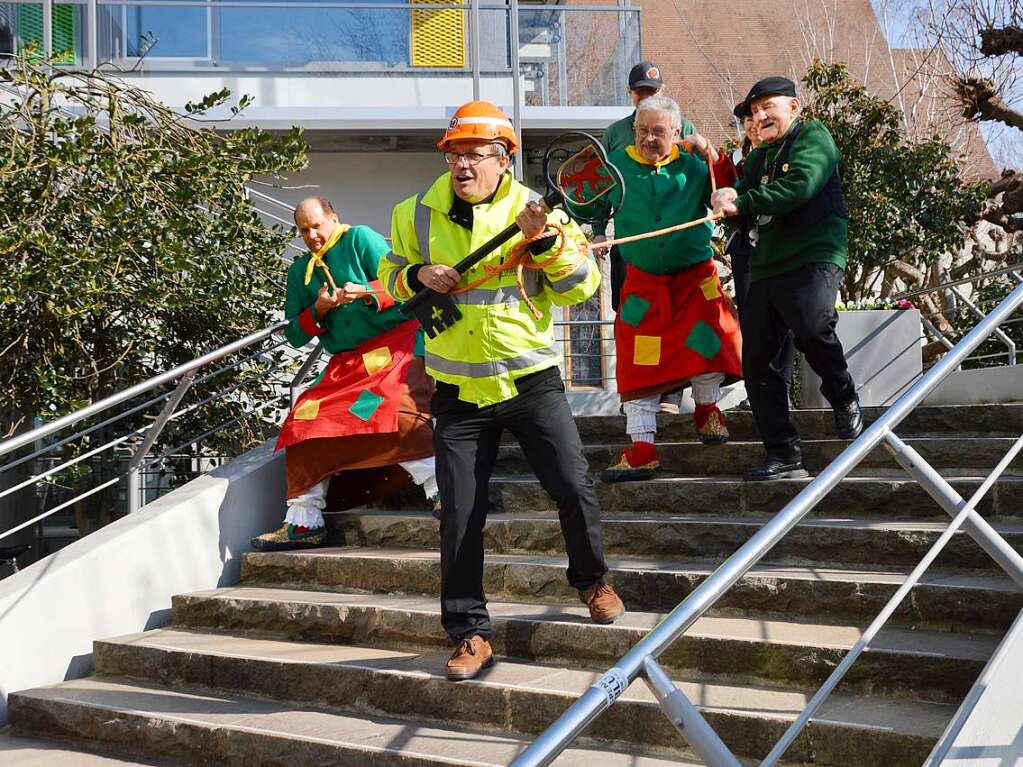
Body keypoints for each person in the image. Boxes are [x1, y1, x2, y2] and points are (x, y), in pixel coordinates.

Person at [380, 100, 625, 682]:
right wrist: (415, 276)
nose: (462, 166)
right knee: (459, 513)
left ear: (503, 159)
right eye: (454, 155)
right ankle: (468, 632)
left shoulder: (541, 215)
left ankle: (592, 582)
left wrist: (546, 248)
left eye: (475, 155)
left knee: (572, 483)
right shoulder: (414, 214)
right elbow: (389, 276)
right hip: (458, 394)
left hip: (530, 382)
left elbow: (579, 287)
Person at [568, 95, 742, 481]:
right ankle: (642, 448)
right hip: (642, 283)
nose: (648, 139)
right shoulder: (614, 170)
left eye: (658, 132)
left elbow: (735, 184)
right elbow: (577, 203)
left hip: (695, 279)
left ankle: (708, 410)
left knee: (712, 337)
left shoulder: (697, 167)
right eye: (642, 130)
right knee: (638, 360)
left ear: (676, 133)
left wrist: (710, 150)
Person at [252, 197, 437, 551]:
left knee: (394, 412)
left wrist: (365, 292)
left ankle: (442, 491)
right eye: (304, 230)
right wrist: (319, 308)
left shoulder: (361, 238)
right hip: (348, 363)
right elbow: (295, 334)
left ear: (334, 218)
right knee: (303, 423)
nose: (311, 236)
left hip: (394, 346)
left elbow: (403, 285)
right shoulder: (299, 270)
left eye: (317, 226)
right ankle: (304, 522)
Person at [712, 76, 863, 482]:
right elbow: (743, 197)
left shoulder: (814, 137)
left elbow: (800, 186)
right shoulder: (759, 157)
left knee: (813, 325)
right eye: (753, 111)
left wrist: (740, 200)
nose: (760, 116)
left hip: (815, 252)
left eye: (768, 107)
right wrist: (726, 197)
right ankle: (782, 451)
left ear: (794, 108)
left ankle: (842, 394)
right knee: (757, 360)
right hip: (766, 263)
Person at [597, 62, 696, 313]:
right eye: (640, 92)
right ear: (630, 93)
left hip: (676, 239)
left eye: (652, 92)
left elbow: (698, 178)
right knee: (631, 311)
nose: (646, 98)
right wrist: (598, 231)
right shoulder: (615, 133)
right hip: (630, 239)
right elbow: (600, 187)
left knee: (678, 312)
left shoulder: (685, 128)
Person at [726, 100, 794, 407]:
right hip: (746, 250)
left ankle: (782, 386)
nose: (753, 125)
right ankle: (758, 391)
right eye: (747, 122)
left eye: (756, 118)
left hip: (780, 247)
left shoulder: (787, 154)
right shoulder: (738, 160)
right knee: (753, 322)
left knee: (785, 318)